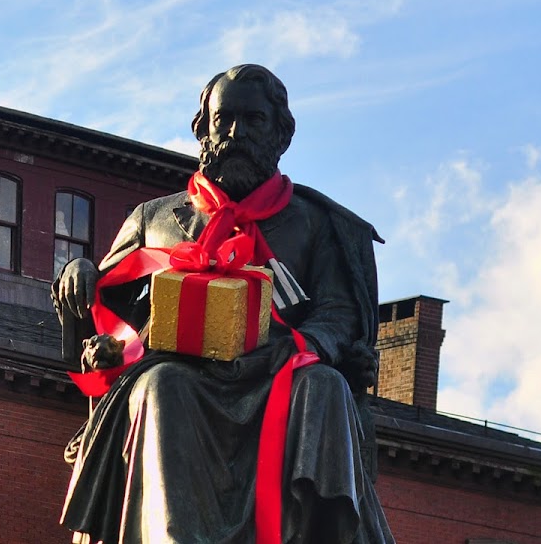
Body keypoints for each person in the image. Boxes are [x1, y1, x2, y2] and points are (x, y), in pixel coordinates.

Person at [54, 64, 395, 544]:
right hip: (184, 371)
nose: (235, 133)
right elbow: (112, 307)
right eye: (223, 120)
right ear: (202, 129)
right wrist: (80, 273)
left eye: (253, 121)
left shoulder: (317, 224)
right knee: (160, 384)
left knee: (325, 389)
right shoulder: (154, 218)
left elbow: (340, 313)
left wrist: (298, 345)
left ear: (281, 133)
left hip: (282, 369)